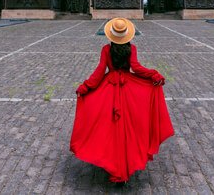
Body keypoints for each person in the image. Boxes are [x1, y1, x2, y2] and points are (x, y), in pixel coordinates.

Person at [70, 18, 174, 184]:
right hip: (128, 87)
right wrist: (153, 74)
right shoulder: (132, 48)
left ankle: (112, 162)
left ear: (111, 35)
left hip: (109, 86)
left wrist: (86, 87)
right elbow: (137, 68)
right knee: (129, 127)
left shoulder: (105, 49)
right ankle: (125, 162)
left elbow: (99, 72)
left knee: (108, 128)